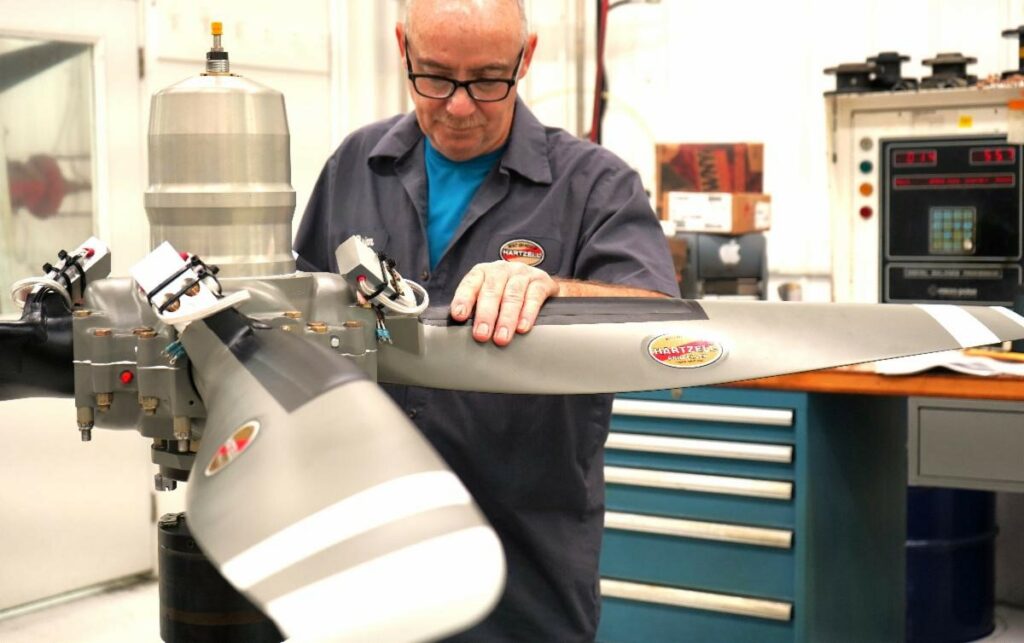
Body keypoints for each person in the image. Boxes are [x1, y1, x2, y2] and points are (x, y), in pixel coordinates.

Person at [294, 0, 677, 639]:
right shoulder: (355, 165)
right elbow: (298, 313)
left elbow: (662, 320)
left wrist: (551, 289)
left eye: (488, 80)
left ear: (526, 58)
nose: (461, 105)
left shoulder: (593, 185)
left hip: (523, 558)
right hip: (365, 541)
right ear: (403, 50)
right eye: (436, 76)